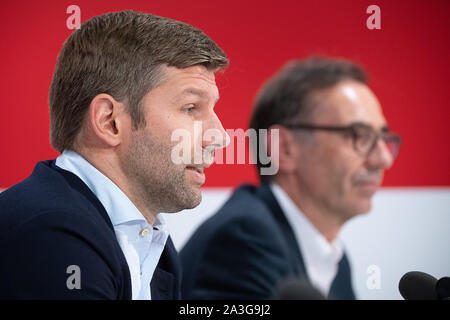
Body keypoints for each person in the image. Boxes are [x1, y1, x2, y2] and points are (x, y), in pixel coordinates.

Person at [0, 10, 228, 299]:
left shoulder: (152, 243)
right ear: (110, 122)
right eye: (190, 108)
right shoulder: (51, 233)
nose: (218, 137)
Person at [180, 57, 401, 299]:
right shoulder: (244, 239)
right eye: (359, 136)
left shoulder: (335, 259)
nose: (383, 159)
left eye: (383, 138)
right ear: (283, 148)